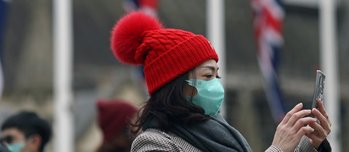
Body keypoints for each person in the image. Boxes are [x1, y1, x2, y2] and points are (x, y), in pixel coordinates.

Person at [111, 12, 332, 152]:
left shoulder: (223, 135)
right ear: (176, 86)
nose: (216, 84)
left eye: (217, 75)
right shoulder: (153, 143)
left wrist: (309, 144)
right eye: (207, 76)